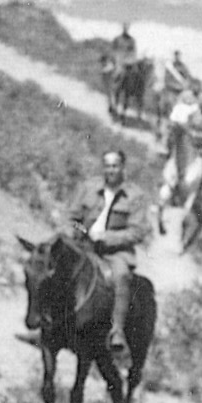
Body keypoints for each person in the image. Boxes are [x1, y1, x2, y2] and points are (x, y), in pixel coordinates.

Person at [59, 149, 151, 360]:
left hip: (115, 252)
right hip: (83, 245)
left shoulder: (135, 196)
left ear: (123, 168)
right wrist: (78, 230)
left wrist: (107, 237)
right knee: (55, 265)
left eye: (115, 166)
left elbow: (137, 231)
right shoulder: (89, 187)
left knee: (121, 276)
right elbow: (72, 216)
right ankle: (46, 323)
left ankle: (117, 331)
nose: (111, 170)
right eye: (107, 165)